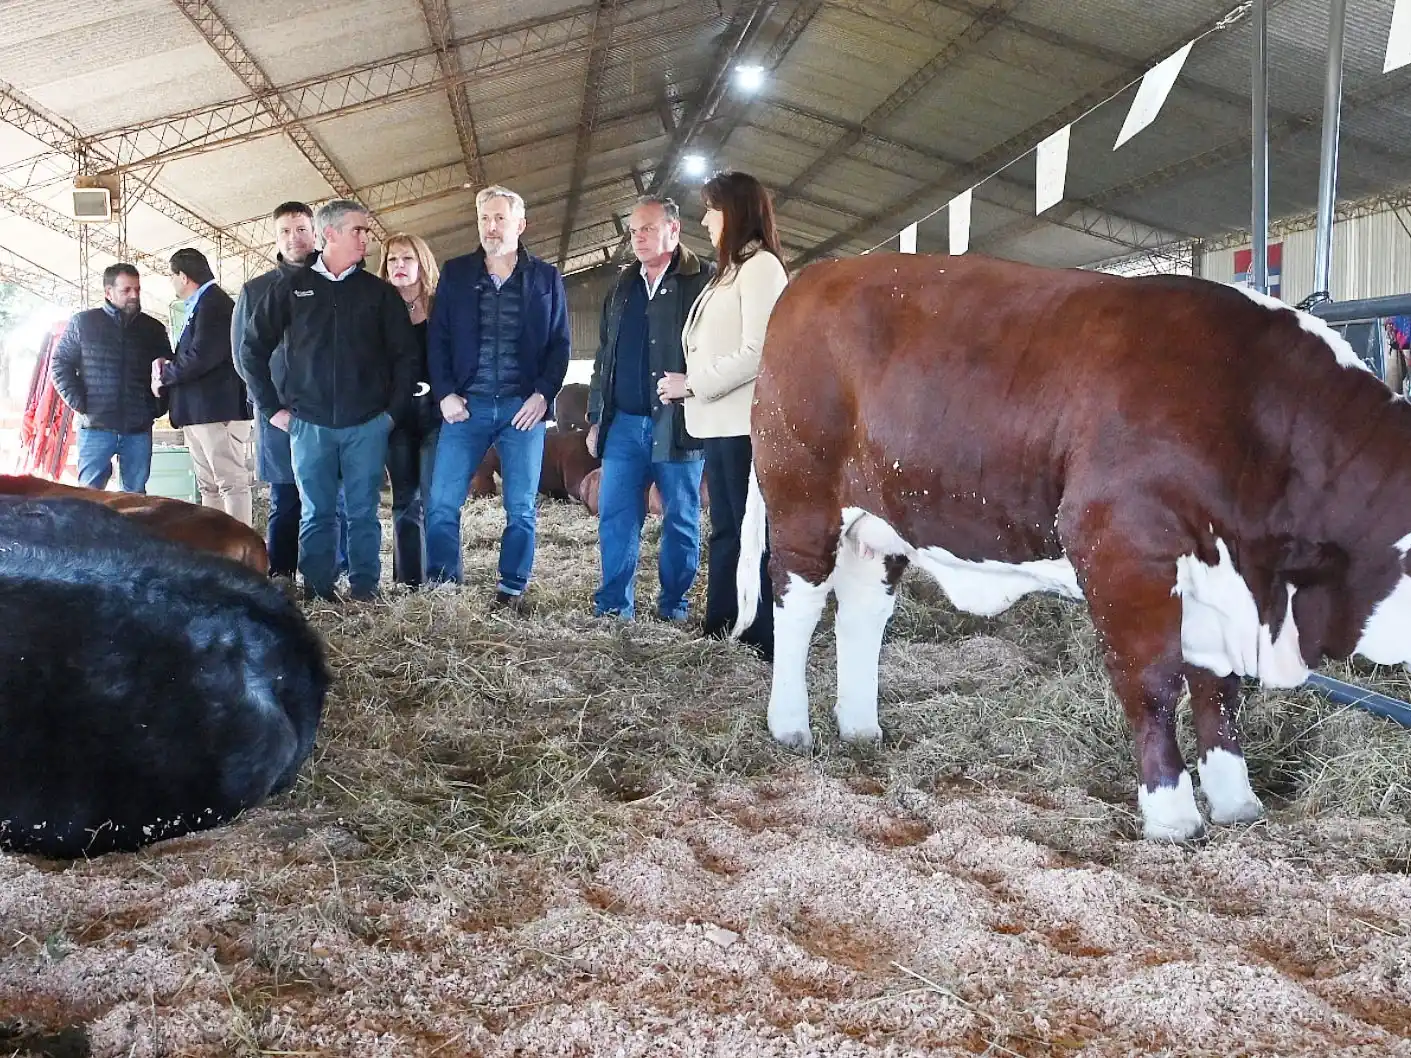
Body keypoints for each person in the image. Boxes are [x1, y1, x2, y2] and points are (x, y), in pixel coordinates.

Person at [238, 199, 418, 602]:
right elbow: (251, 349)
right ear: (330, 234)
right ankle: (318, 591)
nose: (366, 239)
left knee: (362, 513)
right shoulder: (290, 288)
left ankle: (365, 590)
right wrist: (273, 409)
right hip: (309, 425)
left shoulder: (379, 294)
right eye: (359, 230)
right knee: (316, 513)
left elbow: (406, 356)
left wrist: (391, 414)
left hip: (367, 424)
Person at [424, 184, 571, 608]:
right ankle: (444, 585)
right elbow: (439, 340)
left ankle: (511, 589)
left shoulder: (545, 277)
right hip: (465, 406)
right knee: (442, 504)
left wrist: (544, 395)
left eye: (500, 218)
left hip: (521, 408)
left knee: (521, 507)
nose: (491, 226)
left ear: (520, 224)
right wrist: (446, 394)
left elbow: (561, 343)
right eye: (485, 218)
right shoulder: (456, 273)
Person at [666, 171, 788, 660]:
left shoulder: (761, 269)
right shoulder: (731, 270)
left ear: (733, 212)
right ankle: (720, 624)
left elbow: (760, 350)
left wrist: (693, 383)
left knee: (749, 529)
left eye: (711, 209)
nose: (704, 219)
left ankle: (758, 633)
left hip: (743, 424)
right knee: (727, 527)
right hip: (720, 423)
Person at [587, 194, 714, 620]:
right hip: (623, 423)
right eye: (634, 230)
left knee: (680, 518)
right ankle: (613, 606)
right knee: (616, 516)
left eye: (647, 229)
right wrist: (594, 418)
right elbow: (604, 355)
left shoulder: (704, 281)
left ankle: (673, 604)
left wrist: (694, 387)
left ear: (673, 230)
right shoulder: (623, 285)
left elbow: (720, 352)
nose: (638, 238)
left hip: (679, 424)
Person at [232, 202, 348, 578]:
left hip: (333, 412)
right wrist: (270, 407)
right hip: (279, 414)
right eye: (285, 231)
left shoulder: (340, 282)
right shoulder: (255, 290)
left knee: (335, 498)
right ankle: (281, 575)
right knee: (285, 498)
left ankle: (336, 572)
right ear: (276, 237)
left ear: (316, 233)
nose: (294, 238)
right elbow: (241, 356)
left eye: (301, 229)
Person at [154, 248, 253, 525]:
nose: (172, 283)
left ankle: (238, 552)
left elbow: (201, 357)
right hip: (200, 411)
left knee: (230, 482)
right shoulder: (202, 305)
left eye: (172, 277)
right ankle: (217, 549)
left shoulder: (215, 304)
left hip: (217, 410)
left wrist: (165, 375)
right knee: (210, 485)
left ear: (183, 277)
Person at [51, 263, 171, 492]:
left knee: (136, 499)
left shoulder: (153, 329)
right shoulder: (83, 323)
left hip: (138, 427)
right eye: (126, 290)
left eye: (137, 289)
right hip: (96, 426)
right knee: (90, 497)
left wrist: (156, 407)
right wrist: (79, 402)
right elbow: (59, 364)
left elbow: (166, 370)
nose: (134, 296)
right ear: (108, 292)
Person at [377, 233, 442, 587]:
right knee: (404, 499)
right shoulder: (379, 308)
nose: (399, 266)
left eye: (407, 259)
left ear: (422, 262)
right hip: (397, 416)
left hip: (436, 412)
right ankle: (408, 582)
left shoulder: (440, 304)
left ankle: (443, 580)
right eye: (392, 260)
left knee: (437, 499)